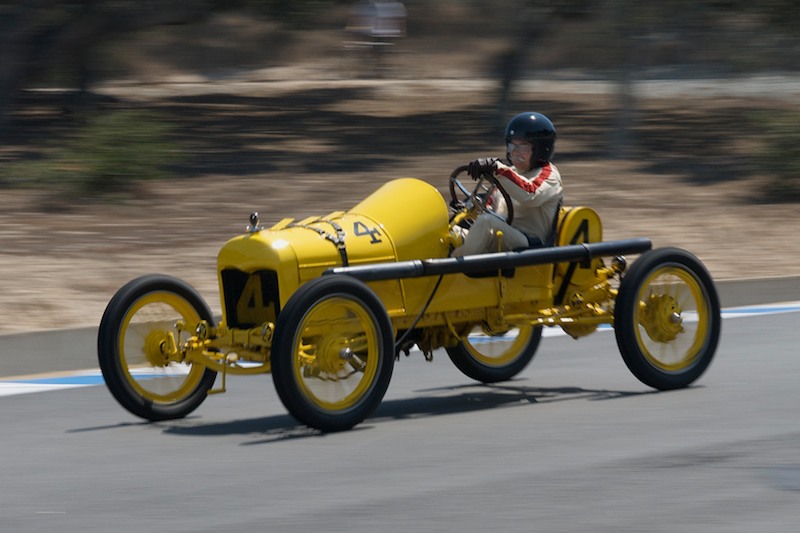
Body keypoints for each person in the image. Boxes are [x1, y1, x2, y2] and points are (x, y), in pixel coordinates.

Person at [452, 111, 563, 256]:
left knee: (487, 222)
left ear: (541, 150)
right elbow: (490, 205)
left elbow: (529, 194)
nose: (515, 152)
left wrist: (497, 168)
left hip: (530, 247)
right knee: (447, 232)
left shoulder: (549, 175)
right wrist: (471, 207)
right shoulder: (510, 173)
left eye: (523, 146)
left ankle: (450, 271)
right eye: (512, 145)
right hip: (502, 235)